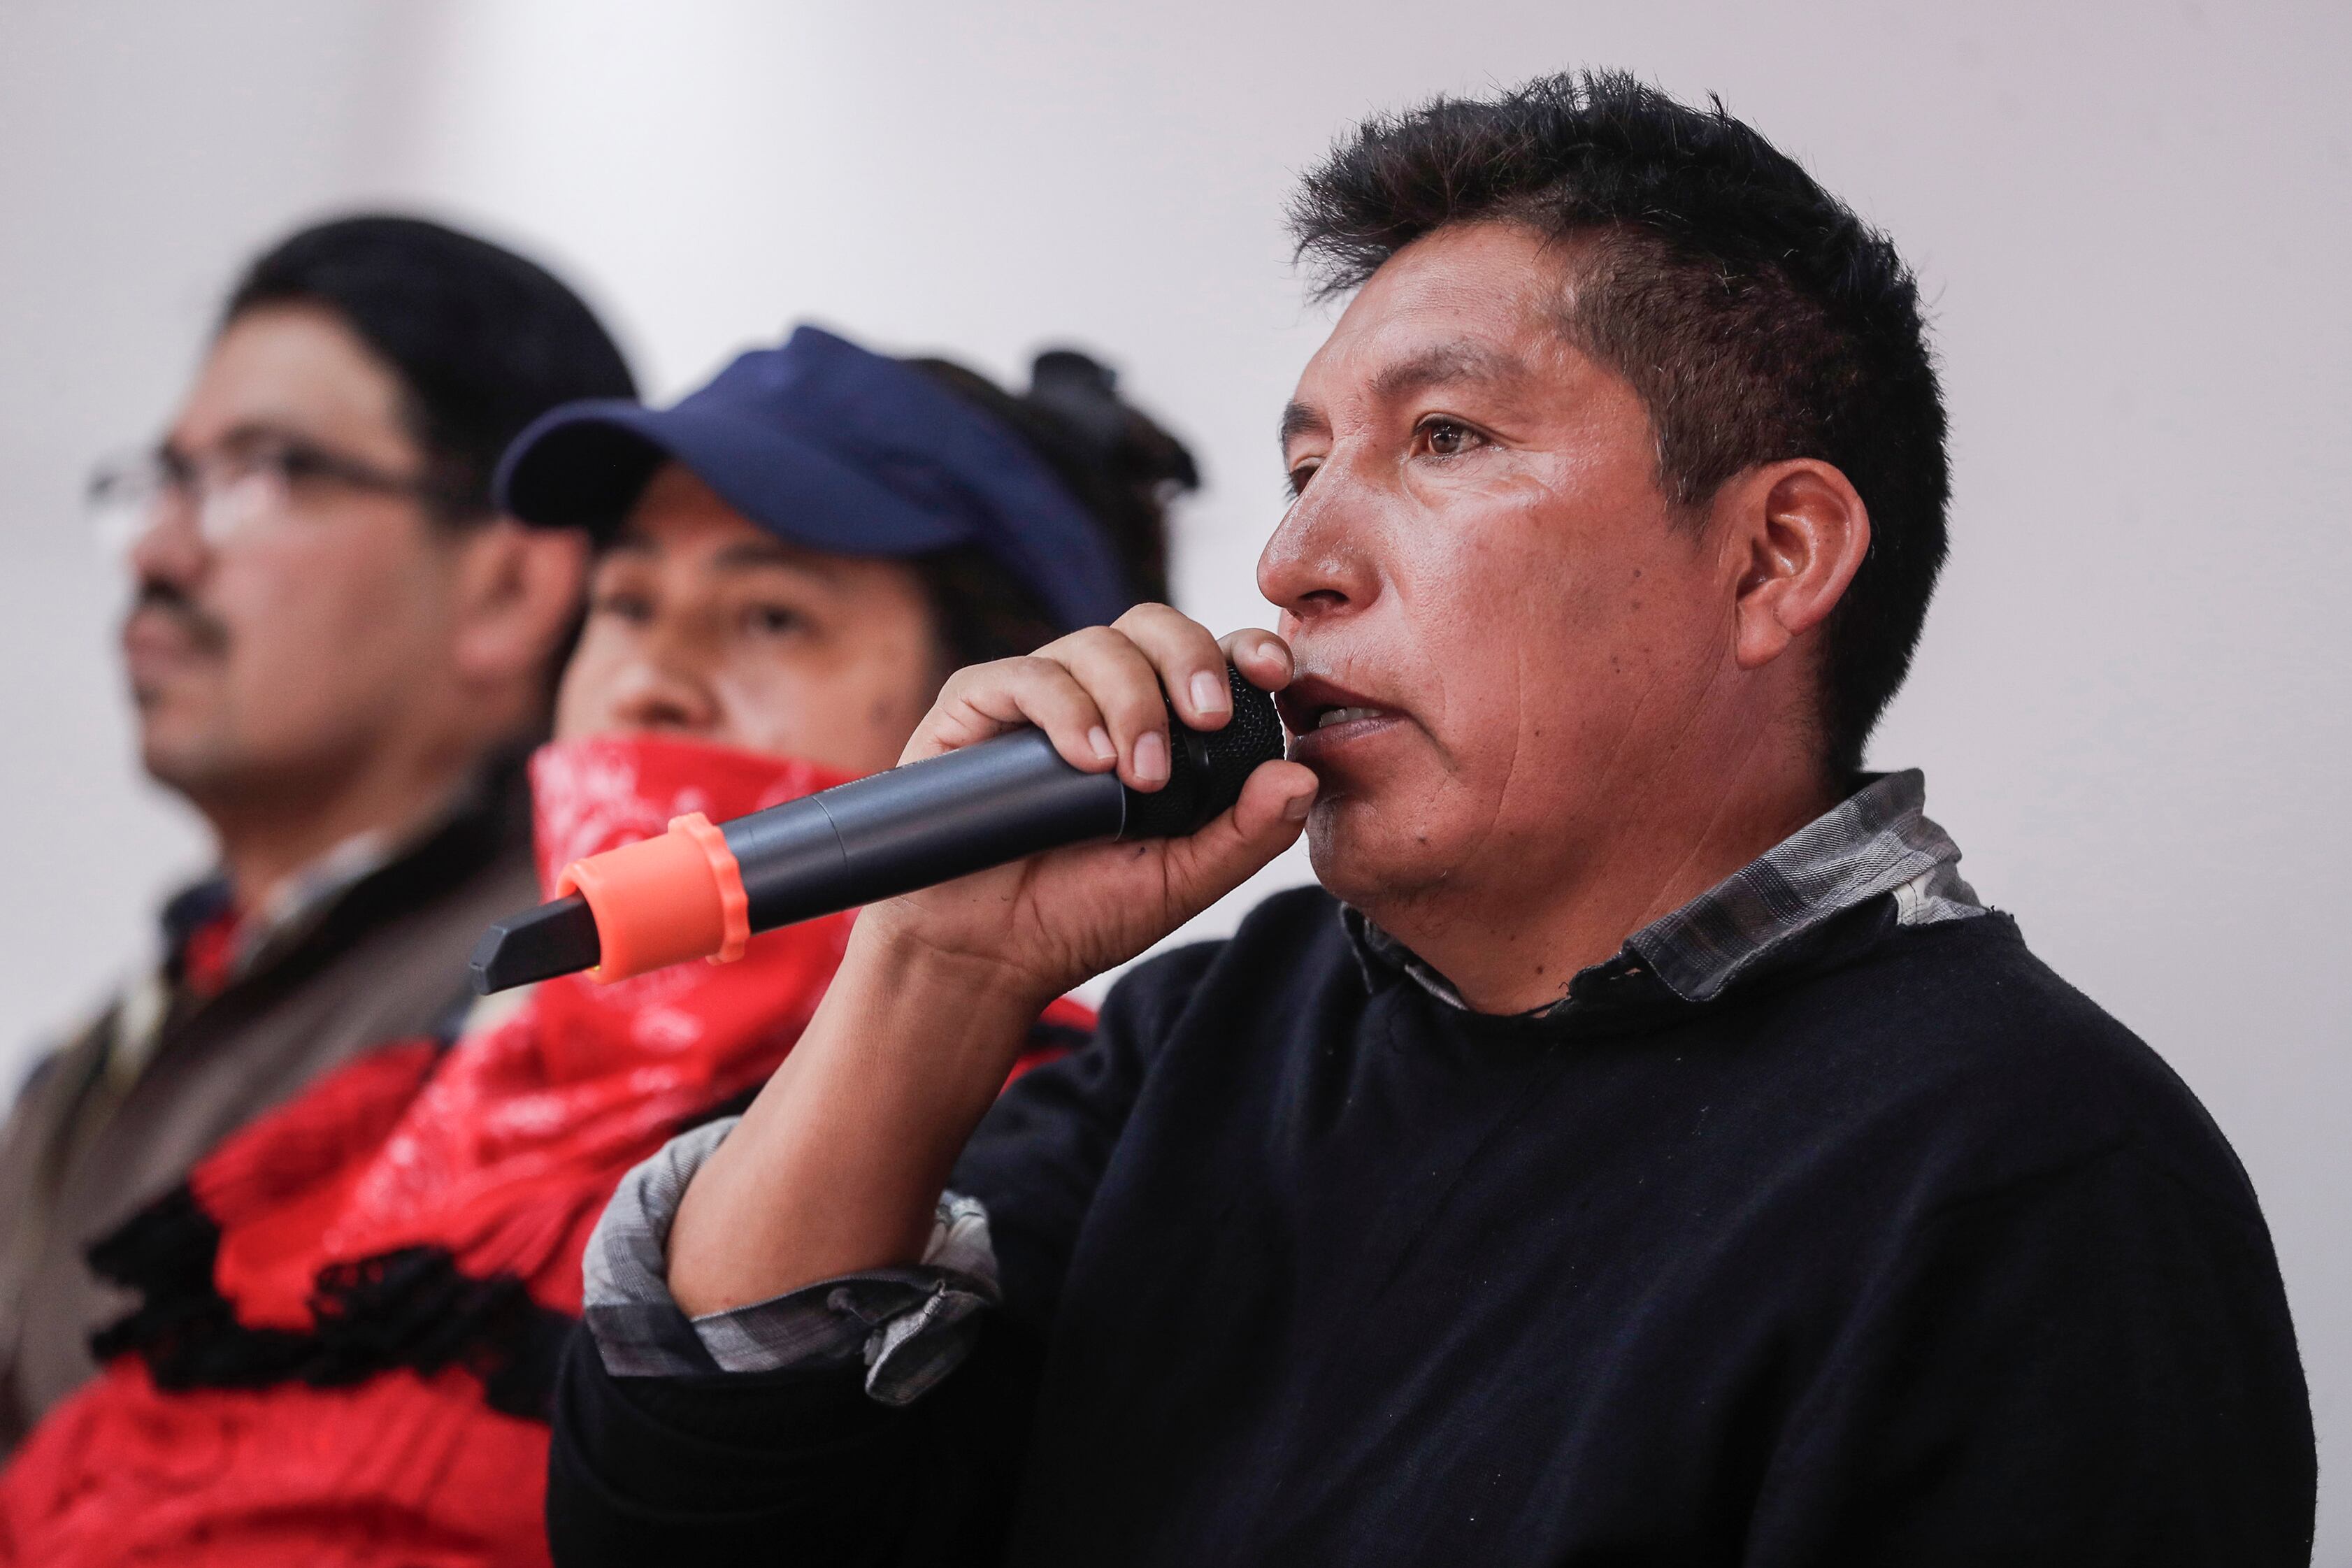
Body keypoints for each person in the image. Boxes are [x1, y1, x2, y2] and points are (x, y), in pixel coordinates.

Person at [544, 73, 2318, 1566]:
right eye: (1305, 460)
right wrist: (932, 970)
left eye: (1446, 438)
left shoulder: (2031, 1179)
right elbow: (689, 1535)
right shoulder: (1217, 1035)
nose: (1291, 561)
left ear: (1772, 556)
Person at [0, 324, 1196, 1568]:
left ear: (1006, 726)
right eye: (626, 604)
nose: (649, 681)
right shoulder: (387, 1112)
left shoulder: (1055, 1143)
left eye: (772, 618)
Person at [0, 215, 635, 1448]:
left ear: (511, 587)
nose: (162, 553)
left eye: (268, 471)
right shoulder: (108, 1044)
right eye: (164, 481)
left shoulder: (569, 1006)